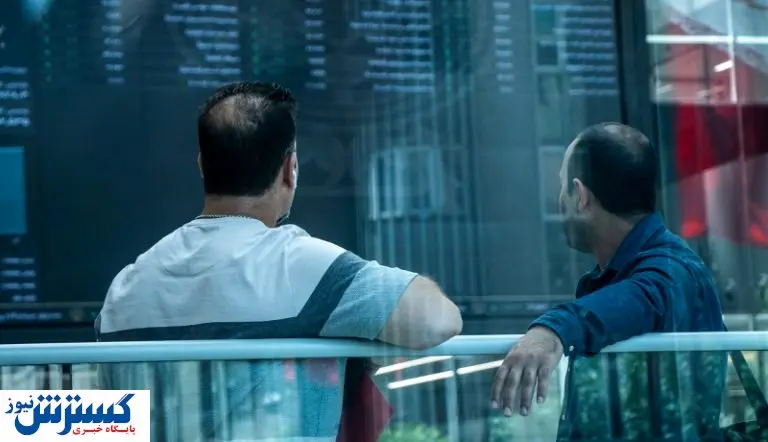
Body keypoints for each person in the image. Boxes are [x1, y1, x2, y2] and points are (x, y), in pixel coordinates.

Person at [95, 81, 463, 440]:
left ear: (202, 165)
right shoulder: (301, 266)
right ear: (290, 168)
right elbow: (438, 320)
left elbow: (109, 424)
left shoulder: (126, 288)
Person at [490, 123, 726, 441]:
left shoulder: (674, 271)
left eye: (562, 186)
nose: (558, 200)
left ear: (580, 196)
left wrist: (552, 329)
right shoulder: (624, 273)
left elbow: (642, 298)